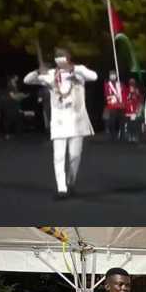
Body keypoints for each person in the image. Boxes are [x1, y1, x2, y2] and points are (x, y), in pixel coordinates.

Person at [24, 47, 98, 199]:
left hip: (77, 121)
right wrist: (38, 72)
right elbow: (27, 80)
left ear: (69, 57)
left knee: (74, 156)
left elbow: (94, 76)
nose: (60, 58)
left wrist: (74, 68)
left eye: (62, 55)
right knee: (58, 155)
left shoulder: (79, 71)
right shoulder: (51, 74)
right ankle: (61, 187)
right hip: (59, 121)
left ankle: (71, 182)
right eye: (57, 56)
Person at [103, 69, 125, 140]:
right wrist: (113, 96)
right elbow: (107, 94)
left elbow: (123, 91)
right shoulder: (107, 84)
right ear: (109, 76)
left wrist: (120, 88)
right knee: (112, 120)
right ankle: (113, 135)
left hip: (120, 104)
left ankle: (121, 134)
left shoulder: (119, 83)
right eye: (111, 74)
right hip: (112, 105)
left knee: (121, 120)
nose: (113, 76)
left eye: (114, 74)